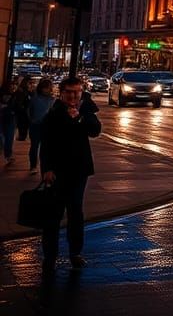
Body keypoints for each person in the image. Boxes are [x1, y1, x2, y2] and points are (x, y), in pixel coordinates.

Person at [39, 76, 102, 274]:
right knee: (53, 215)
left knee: (75, 212)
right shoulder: (54, 112)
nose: (73, 96)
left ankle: (75, 252)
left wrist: (80, 118)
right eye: (69, 92)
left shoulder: (86, 110)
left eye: (77, 92)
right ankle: (50, 256)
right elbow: (46, 143)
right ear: (62, 93)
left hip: (78, 170)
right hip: (57, 171)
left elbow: (95, 130)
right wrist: (46, 169)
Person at [27, 77, 56, 172]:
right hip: (36, 125)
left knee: (46, 148)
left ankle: (45, 168)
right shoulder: (35, 98)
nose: (48, 89)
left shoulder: (52, 99)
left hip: (47, 127)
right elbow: (29, 110)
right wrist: (32, 119)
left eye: (49, 87)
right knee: (34, 146)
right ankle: (33, 166)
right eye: (46, 87)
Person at [0, 78, 17, 164]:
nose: (14, 86)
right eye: (12, 85)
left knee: (7, 137)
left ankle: (8, 155)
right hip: (8, 117)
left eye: (14, 85)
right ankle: (8, 155)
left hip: (8, 117)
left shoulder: (13, 95)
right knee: (8, 137)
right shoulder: (12, 95)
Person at [12, 76, 31, 141]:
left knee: (23, 124)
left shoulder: (25, 90)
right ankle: (22, 136)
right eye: (29, 82)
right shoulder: (22, 90)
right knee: (22, 124)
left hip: (23, 110)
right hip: (23, 111)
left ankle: (22, 136)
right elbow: (20, 101)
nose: (30, 84)